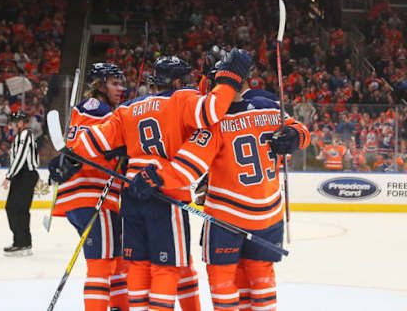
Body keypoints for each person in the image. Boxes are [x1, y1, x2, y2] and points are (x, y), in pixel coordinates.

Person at [64, 49, 252, 310]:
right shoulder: (182, 97)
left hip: (131, 196)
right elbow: (210, 110)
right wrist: (229, 79)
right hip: (165, 194)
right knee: (168, 268)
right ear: (176, 82)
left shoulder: (129, 107)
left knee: (138, 266)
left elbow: (91, 143)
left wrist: (69, 154)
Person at [129, 83, 311, 311]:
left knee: (223, 281)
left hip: (227, 218)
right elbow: (302, 133)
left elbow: (187, 167)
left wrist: (154, 177)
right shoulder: (271, 107)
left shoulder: (215, 121)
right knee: (261, 277)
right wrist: (295, 135)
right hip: (268, 214)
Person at [48, 63, 129, 311]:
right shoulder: (98, 110)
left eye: (121, 83)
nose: (121, 88)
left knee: (115, 259)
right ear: (100, 85)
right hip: (93, 197)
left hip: (85, 198)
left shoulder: (86, 111)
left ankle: (118, 306)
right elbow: (91, 147)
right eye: (115, 83)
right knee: (101, 264)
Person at [2, 110, 39, 257]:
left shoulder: (26, 135)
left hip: (25, 175)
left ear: (20, 123)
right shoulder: (21, 136)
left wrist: (9, 176)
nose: (11, 126)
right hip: (22, 176)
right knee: (18, 209)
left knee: (14, 208)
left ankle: (21, 243)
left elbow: (21, 158)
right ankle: (23, 242)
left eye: (12, 123)